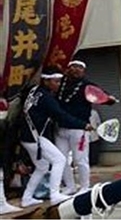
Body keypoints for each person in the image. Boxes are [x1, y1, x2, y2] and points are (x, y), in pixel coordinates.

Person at [19, 68, 93, 207]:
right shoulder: (46, 98)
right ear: (46, 81)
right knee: (59, 160)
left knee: (42, 166)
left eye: (60, 81)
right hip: (35, 138)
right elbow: (61, 116)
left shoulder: (34, 91)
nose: (59, 84)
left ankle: (27, 198)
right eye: (56, 81)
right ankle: (54, 195)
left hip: (28, 136)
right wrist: (83, 125)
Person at [56, 60, 109, 194]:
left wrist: (109, 99)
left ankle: (85, 187)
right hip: (60, 128)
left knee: (80, 159)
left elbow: (103, 96)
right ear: (68, 69)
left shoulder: (88, 86)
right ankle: (70, 186)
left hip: (80, 129)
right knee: (61, 160)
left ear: (84, 70)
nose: (76, 69)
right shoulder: (60, 84)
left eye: (80, 67)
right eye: (73, 67)